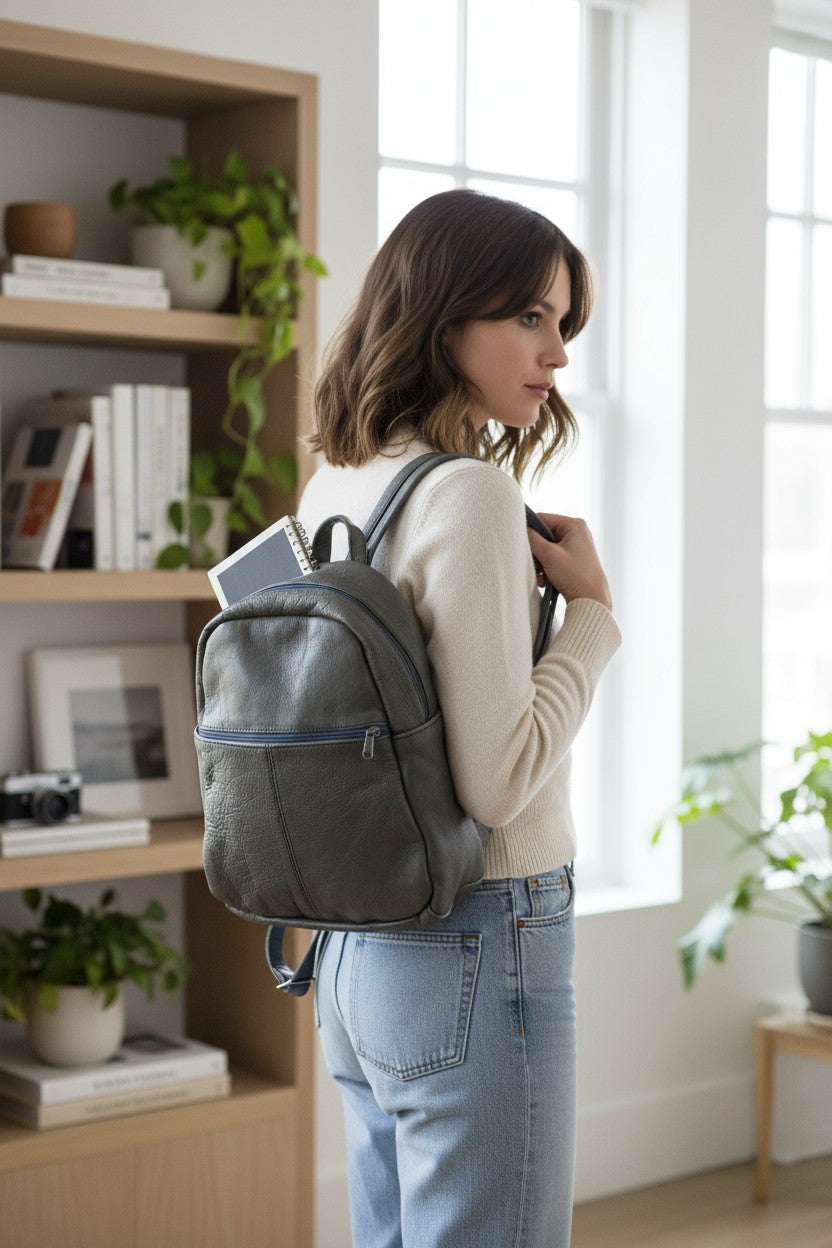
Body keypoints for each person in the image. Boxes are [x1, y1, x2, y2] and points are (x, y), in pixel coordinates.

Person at [296, 188, 621, 1248]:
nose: (557, 354)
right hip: (480, 933)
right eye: (528, 317)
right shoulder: (469, 495)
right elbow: (497, 779)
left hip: (353, 952)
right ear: (444, 315)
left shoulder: (339, 477)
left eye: (560, 323)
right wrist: (592, 620)